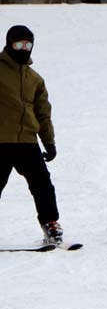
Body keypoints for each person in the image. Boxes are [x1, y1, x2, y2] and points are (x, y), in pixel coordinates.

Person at [0, 25, 62, 246]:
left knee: (42, 185)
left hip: (27, 141)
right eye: (19, 44)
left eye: (28, 44)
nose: (23, 48)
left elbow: (43, 113)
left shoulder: (34, 79)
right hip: (1, 141)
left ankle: (51, 225)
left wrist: (49, 142)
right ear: (9, 44)